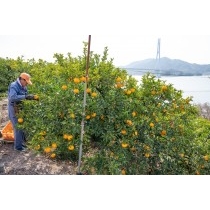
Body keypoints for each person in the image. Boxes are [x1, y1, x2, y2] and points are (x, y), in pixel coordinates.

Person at [8, 72, 36, 152]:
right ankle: (18, 147)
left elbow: (25, 96)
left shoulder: (24, 87)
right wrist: (26, 97)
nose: (26, 84)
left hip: (20, 109)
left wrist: (32, 97)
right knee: (18, 127)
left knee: (22, 126)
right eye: (26, 82)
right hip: (14, 108)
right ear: (21, 79)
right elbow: (12, 97)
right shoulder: (14, 85)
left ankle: (20, 143)